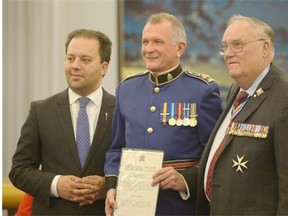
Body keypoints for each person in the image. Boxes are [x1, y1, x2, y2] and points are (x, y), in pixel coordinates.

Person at [104, 12, 222, 216]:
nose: (149, 49)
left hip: (179, 208)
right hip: (130, 207)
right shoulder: (126, 89)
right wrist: (112, 187)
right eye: (145, 42)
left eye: (158, 42)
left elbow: (216, 157)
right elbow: (116, 149)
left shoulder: (202, 91)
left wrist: (186, 179)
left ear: (180, 48)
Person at [9, 29, 115, 215]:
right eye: (70, 58)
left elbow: (137, 168)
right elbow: (19, 171)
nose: (74, 65)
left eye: (85, 59)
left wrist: (109, 185)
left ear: (104, 67)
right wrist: (56, 185)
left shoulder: (122, 111)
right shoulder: (41, 111)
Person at [197, 15, 288, 215]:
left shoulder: (284, 97)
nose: (228, 54)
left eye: (237, 45)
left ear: (265, 48)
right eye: (225, 47)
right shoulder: (236, 91)